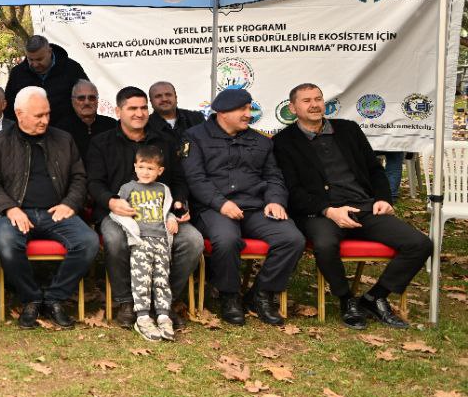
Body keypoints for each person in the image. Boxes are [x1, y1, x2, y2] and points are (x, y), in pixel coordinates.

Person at [273, 83, 431, 329]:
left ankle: (374, 297)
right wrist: (329, 210)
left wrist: (382, 199)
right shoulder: (284, 141)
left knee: (419, 244)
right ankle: (346, 300)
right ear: (292, 108)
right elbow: (293, 191)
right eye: (306, 100)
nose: (314, 104)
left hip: (364, 206)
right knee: (325, 244)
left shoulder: (348, 130)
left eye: (318, 98)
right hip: (320, 212)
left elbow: (374, 169)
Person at [183, 87, 305, 326]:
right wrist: (221, 203)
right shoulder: (195, 137)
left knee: (292, 239)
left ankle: (260, 295)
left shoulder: (260, 141)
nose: (249, 114)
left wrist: (275, 200)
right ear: (222, 112)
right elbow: (195, 178)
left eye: (249, 108)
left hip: (256, 207)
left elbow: (274, 177)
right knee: (226, 240)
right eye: (243, 109)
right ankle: (229, 297)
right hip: (214, 208)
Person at [85, 86, 202, 331]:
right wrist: (110, 201)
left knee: (192, 241)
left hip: (160, 213)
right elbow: (93, 182)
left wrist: (180, 203)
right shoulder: (101, 143)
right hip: (118, 214)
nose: (139, 113)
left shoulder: (166, 141)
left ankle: (163, 301)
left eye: (143, 108)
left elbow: (179, 179)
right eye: (132, 108)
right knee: (115, 240)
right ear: (118, 111)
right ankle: (127, 302)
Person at [0, 86, 98, 329]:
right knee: (6, 242)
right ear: (19, 113)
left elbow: (79, 177)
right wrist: (10, 209)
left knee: (88, 242)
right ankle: (31, 298)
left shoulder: (63, 139)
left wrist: (70, 203)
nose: (45, 120)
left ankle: (55, 297)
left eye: (47, 114)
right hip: (15, 212)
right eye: (38, 116)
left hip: (56, 212)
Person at [107, 144, 179, 342]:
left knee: (162, 278)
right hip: (140, 241)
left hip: (161, 241)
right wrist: (129, 228)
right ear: (135, 167)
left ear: (160, 171)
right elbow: (118, 211)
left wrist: (172, 218)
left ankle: (164, 315)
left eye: (150, 168)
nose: (145, 172)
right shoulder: (128, 188)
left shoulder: (163, 189)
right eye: (142, 167)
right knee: (142, 279)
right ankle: (143, 317)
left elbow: (166, 210)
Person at [3, 35, 88, 127]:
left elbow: (86, 99)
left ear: (50, 52)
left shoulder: (72, 69)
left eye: (39, 59)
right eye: (31, 59)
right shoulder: (17, 73)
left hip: (67, 132)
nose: (35, 64)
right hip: (29, 134)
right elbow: (9, 108)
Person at [51, 80, 116, 158]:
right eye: (81, 98)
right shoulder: (62, 129)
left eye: (91, 98)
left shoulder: (112, 126)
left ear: (97, 101)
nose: (87, 102)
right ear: (72, 101)